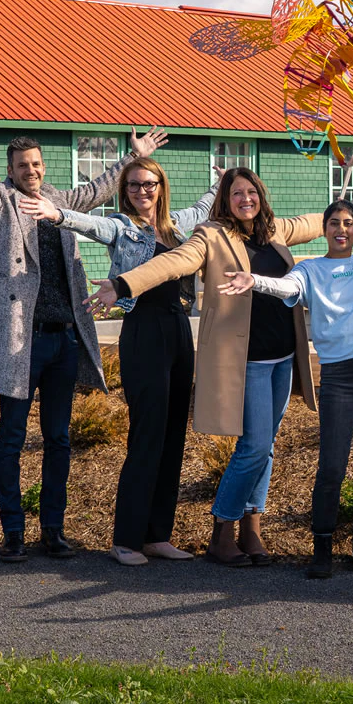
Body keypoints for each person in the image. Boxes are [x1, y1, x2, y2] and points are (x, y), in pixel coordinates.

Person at [0, 100, 167, 563]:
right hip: (20, 342)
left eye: (36, 164)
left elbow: (96, 191)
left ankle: (53, 531)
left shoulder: (58, 200)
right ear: (11, 170)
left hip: (63, 340)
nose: (32, 171)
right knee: (12, 438)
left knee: (58, 439)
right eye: (23, 165)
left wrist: (132, 157)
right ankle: (13, 532)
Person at [96, 168, 323, 568]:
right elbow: (175, 262)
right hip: (248, 360)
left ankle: (251, 529)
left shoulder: (274, 231)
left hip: (283, 358)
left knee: (266, 447)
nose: (245, 199)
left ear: (261, 195)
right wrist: (124, 284)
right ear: (225, 200)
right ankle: (222, 529)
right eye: (237, 193)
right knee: (254, 446)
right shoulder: (211, 235)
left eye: (251, 192)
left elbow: (318, 222)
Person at [43, 158, 219, 566]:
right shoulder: (122, 227)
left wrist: (221, 183)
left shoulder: (177, 226)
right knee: (147, 435)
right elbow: (93, 225)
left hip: (178, 329)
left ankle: (157, 535)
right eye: (135, 185)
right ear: (125, 191)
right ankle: (126, 539)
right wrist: (59, 215)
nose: (143, 191)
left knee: (173, 436)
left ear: (161, 186)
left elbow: (204, 207)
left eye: (149, 183)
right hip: (143, 332)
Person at [219, 198, 353, 579]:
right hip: (339, 376)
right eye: (334, 223)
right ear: (324, 229)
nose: (341, 229)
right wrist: (254, 280)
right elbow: (285, 285)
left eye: (349, 223)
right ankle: (322, 547)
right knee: (332, 465)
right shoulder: (310, 270)